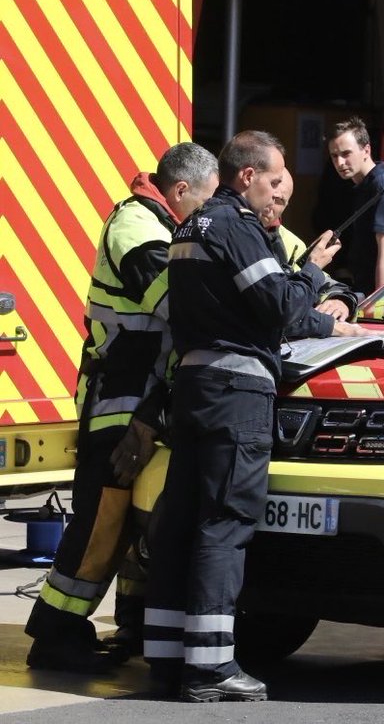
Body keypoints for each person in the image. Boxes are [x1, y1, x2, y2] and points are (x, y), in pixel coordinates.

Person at [143, 131, 340, 702]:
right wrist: (311, 273)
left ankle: (167, 655)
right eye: (275, 180)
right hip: (237, 393)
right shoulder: (237, 227)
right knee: (225, 524)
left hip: (195, 387)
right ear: (247, 176)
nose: (279, 194)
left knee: (181, 520)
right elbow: (280, 307)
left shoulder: (188, 228)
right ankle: (210, 667)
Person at [24, 143, 219, 673]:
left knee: (140, 517)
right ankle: (55, 632)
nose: (207, 214)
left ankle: (134, 619)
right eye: (204, 201)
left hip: (147, 402)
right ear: (180, 191)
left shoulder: (167, 224)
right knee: (102, 524)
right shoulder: (135, 225)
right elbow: (177, 301)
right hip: (118, 401)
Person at [262, 168, 366, 338]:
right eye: (269, 195)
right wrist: (329, 326)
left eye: (280, 200)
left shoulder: (289, 241)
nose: (270, 205)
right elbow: (272, 311)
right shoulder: (236, 235)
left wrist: (341, 301)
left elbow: (323, 283)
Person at [327, 117, 384, 294]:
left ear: (366, 150)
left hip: (380, 296)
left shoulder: (381, 185)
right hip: (367, 286)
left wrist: (380, 304)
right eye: (334, 156)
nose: (339, 163)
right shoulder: (368, 184)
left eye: (346, 154)